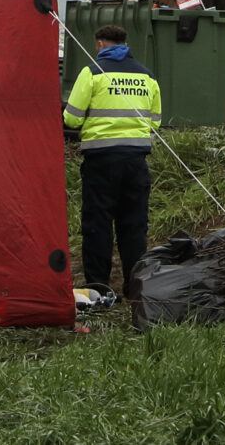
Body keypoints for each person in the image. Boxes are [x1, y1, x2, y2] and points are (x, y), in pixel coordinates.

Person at [63, 24, 162, 305]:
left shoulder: (92, 72)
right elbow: (154, 121)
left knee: (98, 225)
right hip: (136, 162)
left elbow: (71, 119)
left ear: (99, 44)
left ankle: (99, 288)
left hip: (101, 162)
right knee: (134, 226)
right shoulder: (147, 75)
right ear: (125, 43)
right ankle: (135, 288)